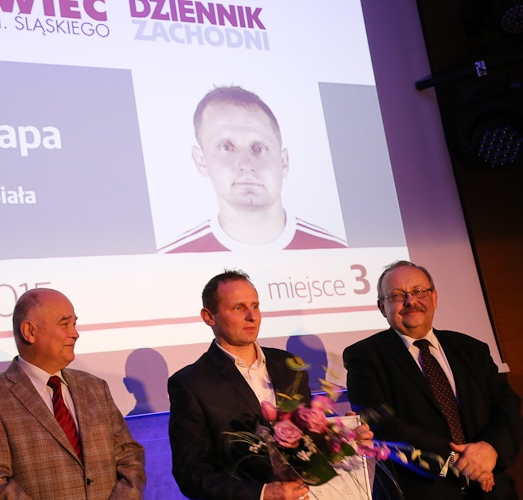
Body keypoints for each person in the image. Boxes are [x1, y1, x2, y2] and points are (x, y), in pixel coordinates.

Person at [343, 260, 523, 499]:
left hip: (492, 490)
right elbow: (382, 423)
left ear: (434, 298)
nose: (410, 301)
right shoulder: (363, 356)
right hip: (420, 492)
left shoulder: (471, 349)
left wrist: (490, 449)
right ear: (382, 307)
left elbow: (507, 407)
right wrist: (462, 463)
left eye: (419, 291)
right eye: (397, 295)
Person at [0, 288, 146, 499]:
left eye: (74, 324)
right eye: (65, 324)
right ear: (29, 332)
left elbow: (130, 457)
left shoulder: (95, 388)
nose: (75, 333)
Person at [168, 269, 315, 499]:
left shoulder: (289, 364)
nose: (252, 316)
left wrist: (344, 438)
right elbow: (191, 473)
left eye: (255, 306)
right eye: (238, 308)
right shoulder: (191, 383)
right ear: (209, 317)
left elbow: (310, 437)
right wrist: (263, 494)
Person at [159, 85, 346, 253]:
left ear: (284, 162)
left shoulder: (338, 253)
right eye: (226, 147)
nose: (246, 165)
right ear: (201, 161)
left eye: (259, 148)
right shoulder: (170, 261)